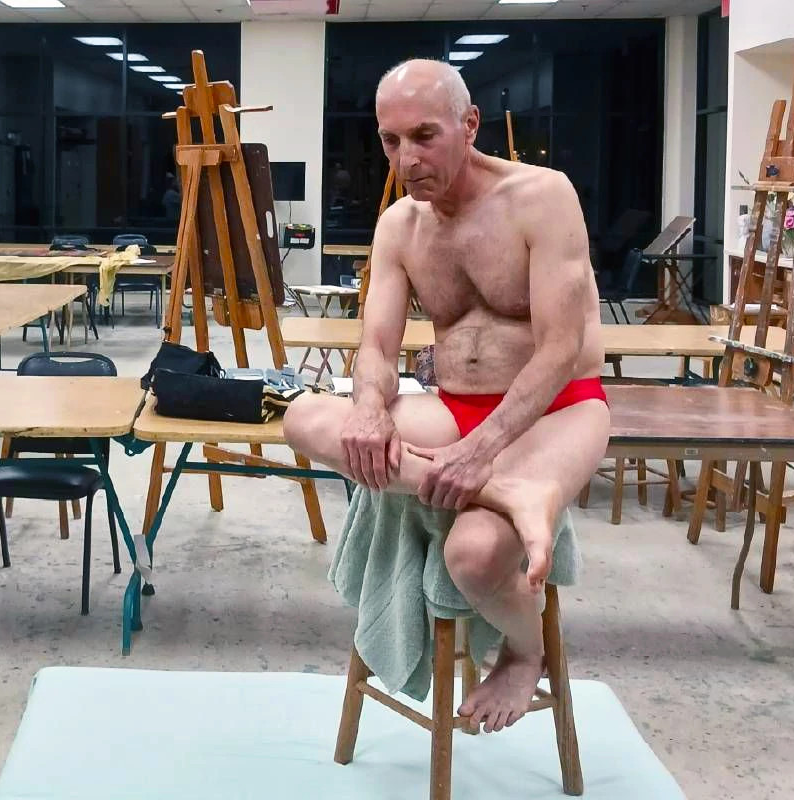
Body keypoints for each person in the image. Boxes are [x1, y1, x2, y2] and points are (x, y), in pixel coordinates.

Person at [282, 60, 610, 734]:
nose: (406, 159)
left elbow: (558, 348)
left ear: (469, 125)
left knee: (473, 555)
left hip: (559, 408)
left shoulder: (542, 196)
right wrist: (372, 412)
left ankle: (524, 653)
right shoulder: (401, 226)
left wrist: (480, 451)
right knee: (306, 415)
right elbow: (377, 346)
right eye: (390, 141)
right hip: (456, 405)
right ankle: (508, 495)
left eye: (424, 136)